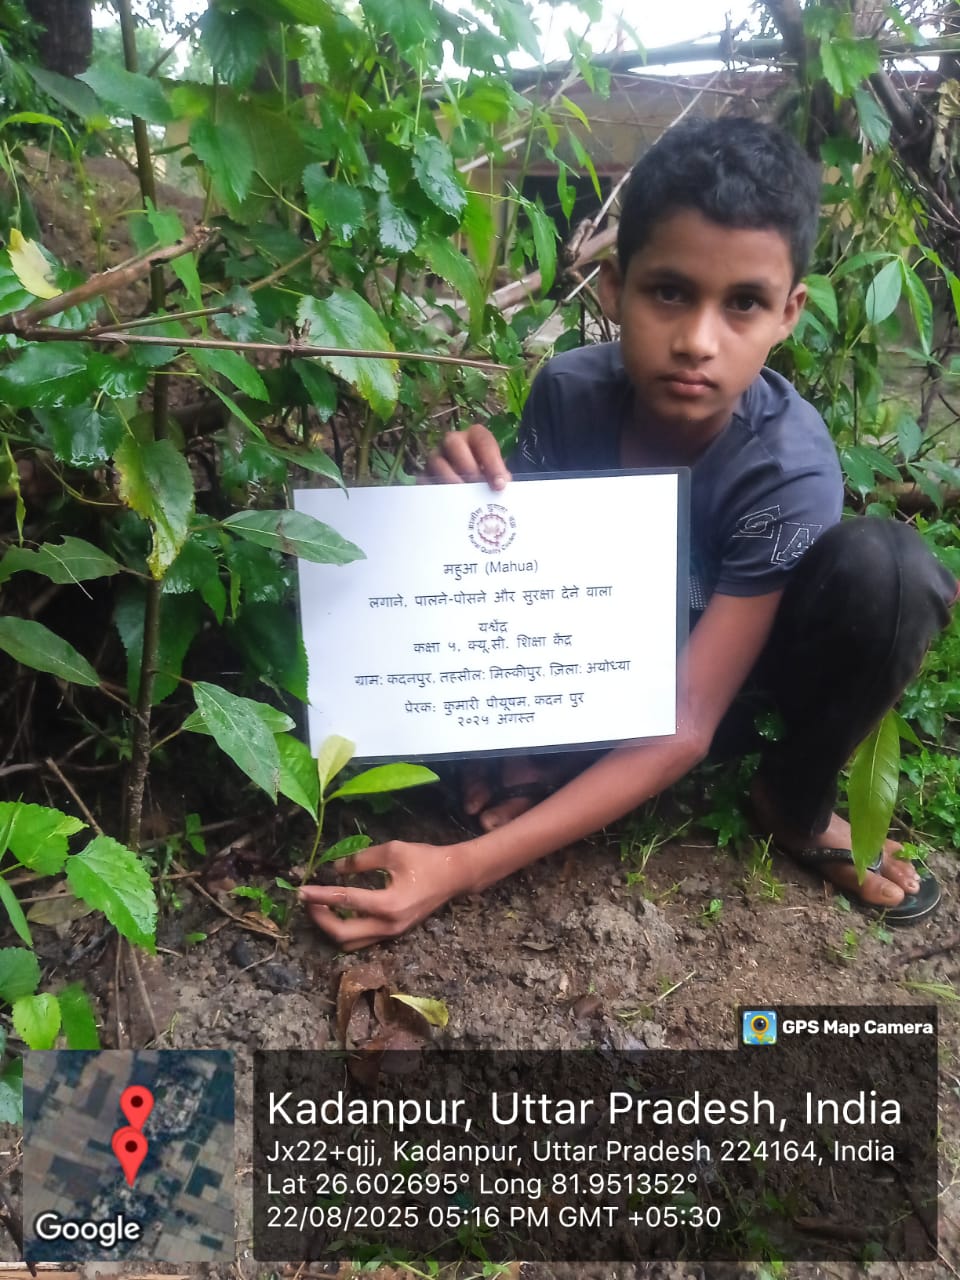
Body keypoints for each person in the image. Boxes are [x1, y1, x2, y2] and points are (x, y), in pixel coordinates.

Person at [300, 117, 957, 950]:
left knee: (889, 572)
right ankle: (565, 757)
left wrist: (464, 867)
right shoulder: (569, 393)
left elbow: (688, 715)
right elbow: (521, 598)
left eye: (743, 304)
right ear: (614, 286)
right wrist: (460, 506)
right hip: (610, 658)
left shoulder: (787, 468)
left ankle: (792, 803)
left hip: (734, 680)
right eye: (670, 291)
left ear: (789, 312)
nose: (696, 341)